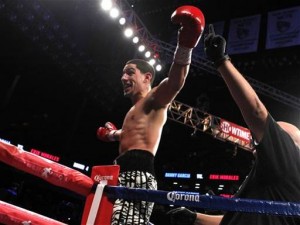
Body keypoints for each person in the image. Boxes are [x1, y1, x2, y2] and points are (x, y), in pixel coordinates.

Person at [167, 24, 300, 225]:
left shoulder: (289, 159)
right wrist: (195, 218)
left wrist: (221, 61)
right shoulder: (270, 184)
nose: (257, 141)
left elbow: (256, 111)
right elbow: (235, 219)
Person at [96, 5, 205, 225]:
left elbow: (176, 81)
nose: (123, 78)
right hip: (121, 169)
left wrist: (186, 43)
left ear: (147, 77)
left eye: (130, 72)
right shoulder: (132, 111)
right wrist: (109, 135)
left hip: (139, 170)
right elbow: (124, 134)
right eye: (122, 73)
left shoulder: (155, 99)